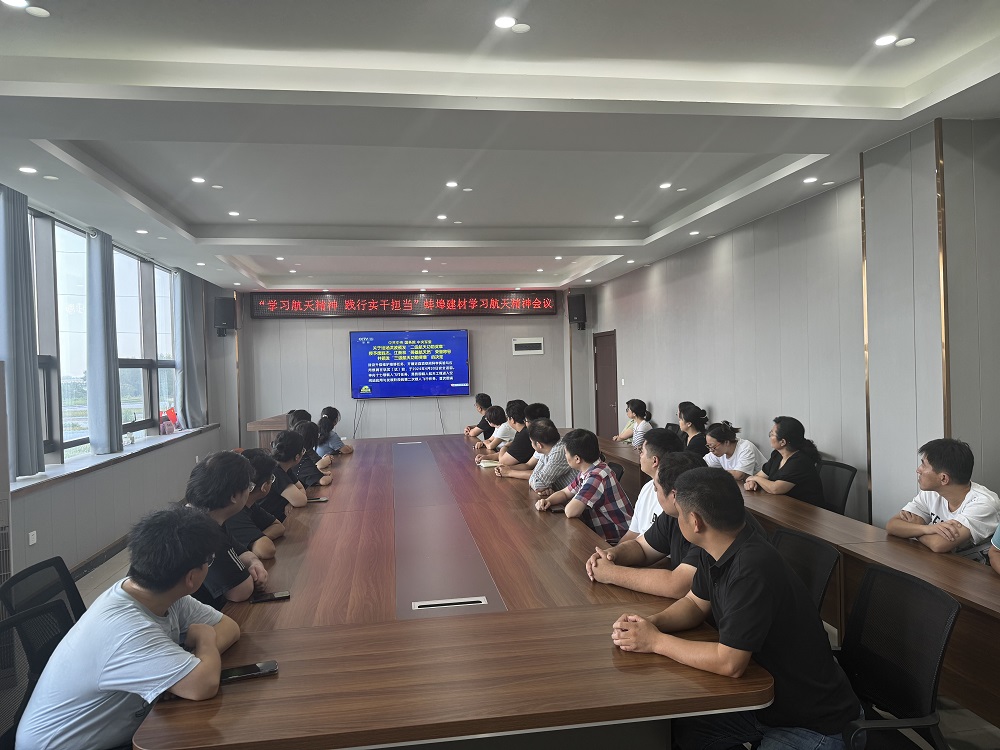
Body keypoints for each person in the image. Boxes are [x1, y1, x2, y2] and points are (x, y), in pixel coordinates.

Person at [612, 467, 861, 750]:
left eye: (679, 514)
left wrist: (655, 642)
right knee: (682, 729)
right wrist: (650, 624)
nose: (675, 520)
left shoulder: (750, 568)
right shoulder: (717, 548)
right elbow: (694, 604)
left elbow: (729, 663)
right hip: (766, 706)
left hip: (813, 724)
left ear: (695, 521)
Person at [16, 506, 242, 750]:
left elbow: (229, 627)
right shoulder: (128, 630)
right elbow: (203, 685)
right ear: (191, 578)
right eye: (209, 560)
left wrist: (183, 671)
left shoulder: (158, 594)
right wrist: (204, 642)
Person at [586, 452, 706, 598]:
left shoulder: (707, 525)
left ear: (674, 496)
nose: (654, 491)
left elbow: (678, 585)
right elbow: (642, 547)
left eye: (656, 488)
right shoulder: (673, 515)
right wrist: (611, 555)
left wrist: (610, 573)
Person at [886, 438, 1000, 559]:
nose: (918, 470)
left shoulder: (984, 503)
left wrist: (914, 529)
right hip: (940, 563)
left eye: (924, 465)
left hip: (974, 568)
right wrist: (926, 529)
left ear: (944, 478)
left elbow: (938, 544)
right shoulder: (932, 492)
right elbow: (892, 525)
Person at [185, 451, 269, 607]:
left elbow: (242, 552)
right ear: (233, 496)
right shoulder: (201, 531)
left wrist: (254, 563)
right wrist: (252, 572)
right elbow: (240, 592)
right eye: (249, 487)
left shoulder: (206, 517)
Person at [534, 428, 633, 543]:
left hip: (617, 540)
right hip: (601, 533)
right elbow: (565, 493)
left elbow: (571, 512)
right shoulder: (589, 469)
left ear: (577, 459)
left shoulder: (597, 476)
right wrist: (548, 501)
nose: (565, 456)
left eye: (565, 453)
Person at [745, 416, 826, 509]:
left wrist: (754, 478)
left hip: (805, 511)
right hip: (783, 506)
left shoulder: (800, 461)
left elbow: (775, 488)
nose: (770, 436)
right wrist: (752, 482)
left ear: (783, 442)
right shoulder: (777, 455)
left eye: (772, 434)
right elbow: (760, 475)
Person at [620, 427, 685, 542]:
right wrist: (614, 551)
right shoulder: (647, 487)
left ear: (655, 461)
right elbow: (632, 533)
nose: (640, 456)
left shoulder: (674, 500)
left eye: (641, 452)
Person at [224, 448, 286, 560]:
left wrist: (258, 538)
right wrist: (258, 541)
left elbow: (279, 526)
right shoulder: (234, 511)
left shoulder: (249, 504)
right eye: (271, 478)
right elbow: (266, 550)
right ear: (264, 487)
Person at [495, 418, 576, 495]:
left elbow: (538, 484)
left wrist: (509, 472)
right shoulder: (547, 449)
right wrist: (545, 486)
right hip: (563, 494)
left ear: (539, 444)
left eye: (531, 441)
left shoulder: (560, 452)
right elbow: (535, 475)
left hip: (576, 499)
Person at [260, 429, 310, 520]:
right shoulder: (275, 471)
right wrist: (294, 500)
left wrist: (291, 502)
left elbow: (300, 488)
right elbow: (301, 500)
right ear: (297, 456)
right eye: (303, 450)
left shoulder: (284, 467)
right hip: (267, 523)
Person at [474, 400, 532, 466]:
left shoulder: (523, 436)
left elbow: (503, 461)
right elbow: (509, 454)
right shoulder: (522, 431)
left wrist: (505, 447)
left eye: (508, 417)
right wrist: (487, 457)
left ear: (512, 420)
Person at [291, 420, 333, 487]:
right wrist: (330, 477)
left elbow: (309, 472)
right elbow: (324, 481)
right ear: (312, 440)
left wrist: (321, 473)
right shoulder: (303, 458)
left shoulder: (293, 453)